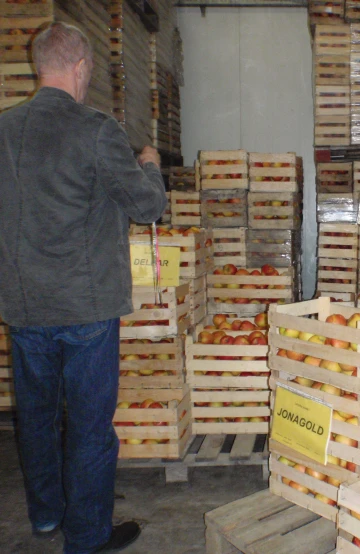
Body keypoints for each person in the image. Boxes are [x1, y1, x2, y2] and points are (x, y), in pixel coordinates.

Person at [0, 22, 167, 554]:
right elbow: (146, 207)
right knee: (91, 428)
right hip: (86, 309)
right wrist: (149, 167)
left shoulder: (3, 130)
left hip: (24, 306)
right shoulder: (96, 130)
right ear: (80, 68)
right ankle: (88, 536)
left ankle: (47, 515)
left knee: (38, 419)